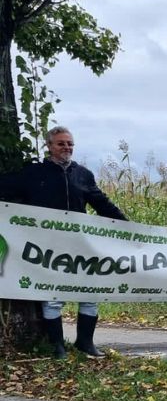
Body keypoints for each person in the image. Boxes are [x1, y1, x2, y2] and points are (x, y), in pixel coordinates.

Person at [0, 126, 126, 359]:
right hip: (47, 247)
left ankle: (85, 343)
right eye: (61, 143)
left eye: (70, 144)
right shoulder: (34, 173)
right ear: (49, 146)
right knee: (53, 296)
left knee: (89, 293)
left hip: (80, 246)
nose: (66, 148)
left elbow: (102, 204)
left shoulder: (83, 174)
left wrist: (128, 227)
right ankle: (57, 346)